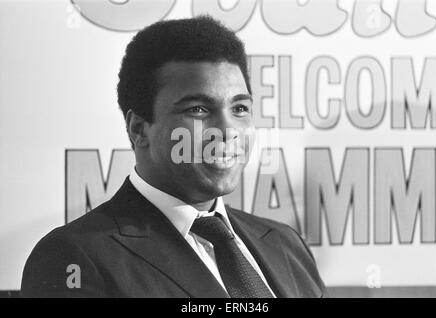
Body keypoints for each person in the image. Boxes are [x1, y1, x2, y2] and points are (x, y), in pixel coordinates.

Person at [21, 16, 326, 298]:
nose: (227, 130)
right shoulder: (76, 256)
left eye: (240, 108)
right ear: (139, 128)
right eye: (198, 109)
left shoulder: (286, 244)